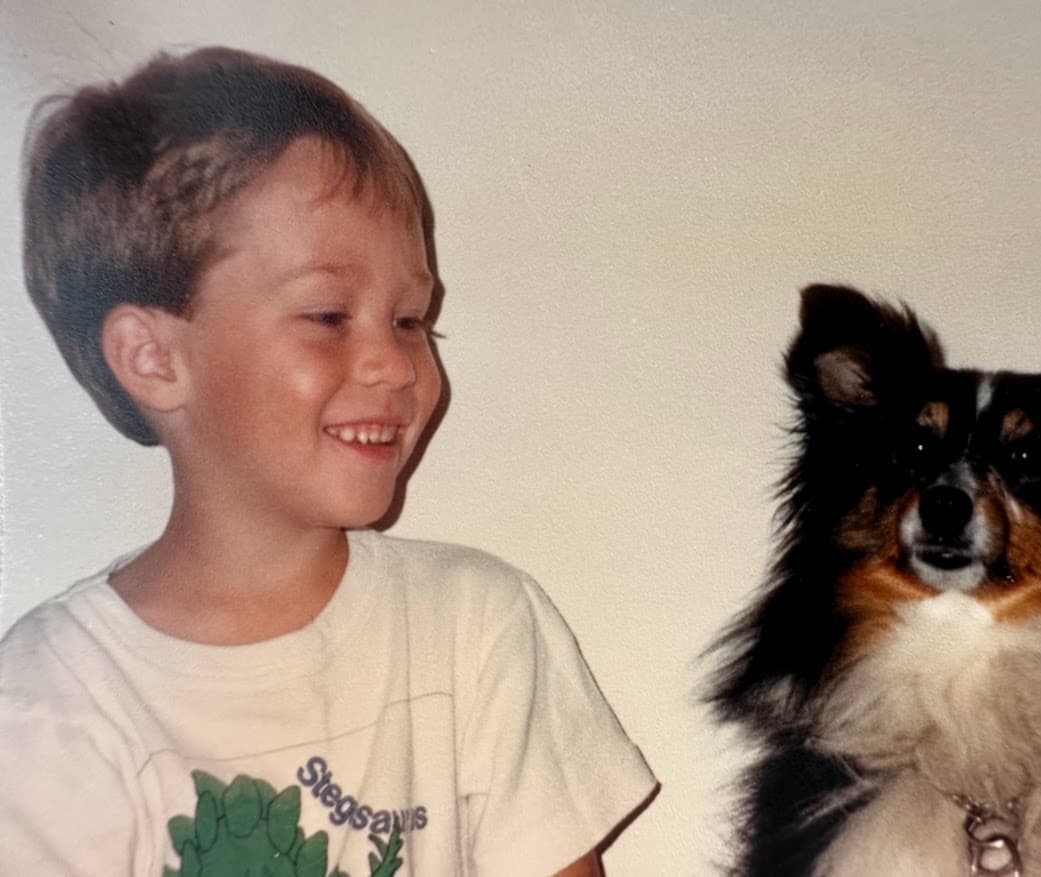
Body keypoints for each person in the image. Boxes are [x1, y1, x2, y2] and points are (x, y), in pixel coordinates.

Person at [0, 46, 656, 876]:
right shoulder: (50, 701)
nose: (393, 363)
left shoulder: (475, 629)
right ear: (154, 358)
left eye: (412, 320)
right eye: (327, 314)